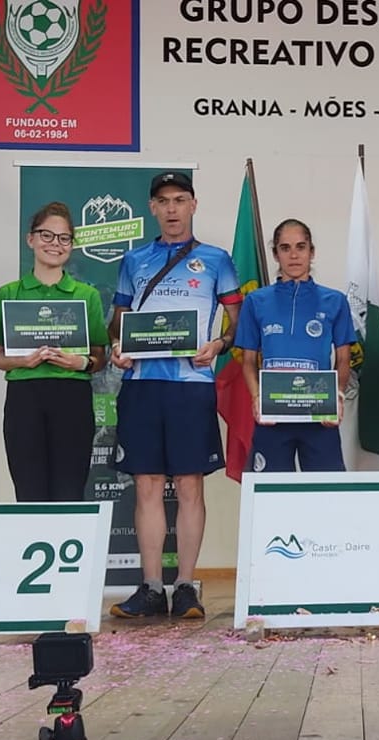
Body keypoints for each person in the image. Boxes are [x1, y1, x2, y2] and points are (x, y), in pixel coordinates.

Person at [109, 171, 242, 620]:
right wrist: (117, 347)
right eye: (163, 201)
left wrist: (219, 345)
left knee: (189, 484)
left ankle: (185, 586)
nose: (171, 209)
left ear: (193, 204)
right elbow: (118, 320)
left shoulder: (217, 259)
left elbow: (237, 321)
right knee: (145, 484)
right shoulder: (134, 260)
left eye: (179, 200)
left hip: (192, 386)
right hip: (142, 385)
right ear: (152, 207)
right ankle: (150, 587)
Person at [0, 202, 108, 501]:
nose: (55, 244)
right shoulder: (8, 293)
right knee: (29, 492)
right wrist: (24, 361)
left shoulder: (86, 295)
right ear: (31, 239)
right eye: (47, 235)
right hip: (23, 398)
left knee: (69, 491)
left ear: (72, 244)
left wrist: (79, 362)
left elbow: (99, 357)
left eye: (64, 238)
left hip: (72, 398)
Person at [235, 219, 355, 471]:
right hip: (272, 416)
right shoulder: (256, 301)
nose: (294, 255)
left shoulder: (335, 301)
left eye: (301, 247)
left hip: (319, 415)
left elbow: (344, 359)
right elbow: (248, 362)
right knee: (271, 498)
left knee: (326, 495)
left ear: (312, 252)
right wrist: (257, 397)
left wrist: (339, 395)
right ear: (275, 254)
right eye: (285, 247)